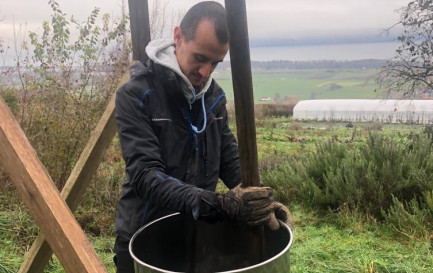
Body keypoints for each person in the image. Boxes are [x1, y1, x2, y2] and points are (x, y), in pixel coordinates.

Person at [113, 1, 293, 272]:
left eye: (215, 62)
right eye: (199, 58)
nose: (206, 72)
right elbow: (146, 176)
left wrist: (261, 205)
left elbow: (230, 162)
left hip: (196, 238)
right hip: (145, 241)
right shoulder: (137, 96)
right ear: (178, 37)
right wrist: (220, 204)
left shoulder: (214, 98)